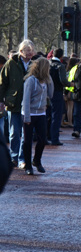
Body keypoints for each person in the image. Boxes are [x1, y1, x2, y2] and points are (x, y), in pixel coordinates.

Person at [0, 40, 35, 168]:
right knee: (14, 132)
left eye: (32, 50)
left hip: (30, 104)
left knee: (26, 133)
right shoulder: (10, 64)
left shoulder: (35, 64)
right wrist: (1, 100)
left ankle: (23, 159)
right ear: (21, 51)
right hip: (14, 102)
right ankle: (14, 157)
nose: (30, 53)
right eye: (28, 51)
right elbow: (2, 83)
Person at [21, 57, 54, 175]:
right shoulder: (30, 80)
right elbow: (26, 100)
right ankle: (28, 166)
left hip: (41, 113)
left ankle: (37, 160)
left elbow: (51, 94)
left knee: (42, 139)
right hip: (29, 113)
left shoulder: (46, 80)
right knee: (27, 141)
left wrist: (49, 79)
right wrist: (27, 117)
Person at [49, 49, 70, 145]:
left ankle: (46, 136)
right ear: (61, 56)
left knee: (47, 115)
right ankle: (54, 138)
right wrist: (70, 84)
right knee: (56, 116)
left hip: (46, 92)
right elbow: (63, 80)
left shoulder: (47, 64)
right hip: (57, 92)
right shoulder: (60, 66)